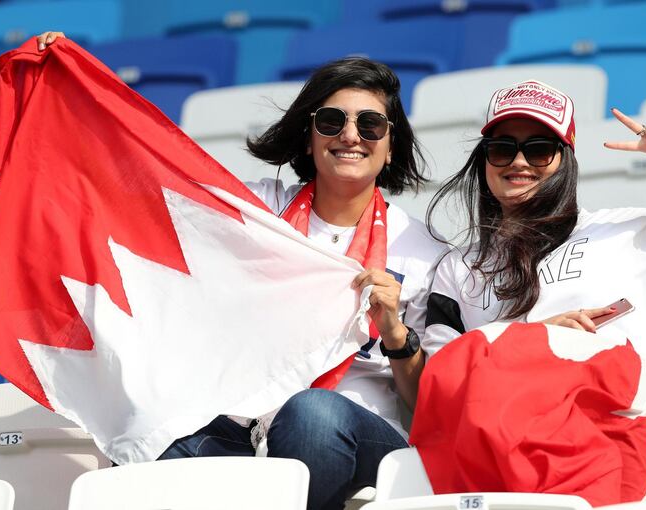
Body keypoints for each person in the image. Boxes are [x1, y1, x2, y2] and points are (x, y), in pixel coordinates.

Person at [37, 32, 445, 509]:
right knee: (149, 431)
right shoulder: (254, 213)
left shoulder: (425, 254)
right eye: (332, 121)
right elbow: (132, 185)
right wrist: (69, 90)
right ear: (309, 139)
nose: (351, 135)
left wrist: (395, 333)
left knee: (311, 414)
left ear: (391, 145)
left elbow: (427, 414)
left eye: (372, 125)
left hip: (363, 435)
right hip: (243, 428)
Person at [422, 79, 646, 492]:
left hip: (618, 432)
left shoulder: (638, 231)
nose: (518, 162)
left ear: (565, 160)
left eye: (539, 148)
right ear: (484, 160)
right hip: (506, 445)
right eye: (502, 149)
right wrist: (535, 341)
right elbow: (440, 378)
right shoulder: (459, 267)